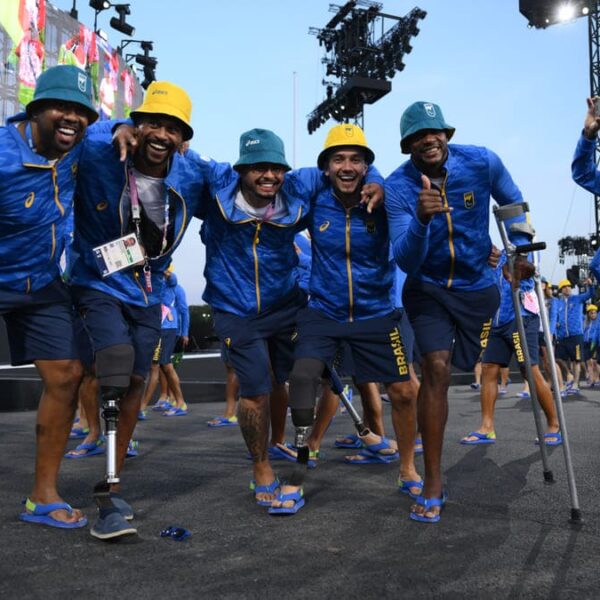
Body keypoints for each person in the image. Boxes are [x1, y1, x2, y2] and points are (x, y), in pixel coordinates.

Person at [200, 128, 382, 508]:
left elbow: (353, 168)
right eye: (258, 169)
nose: (269, 176)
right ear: (241, 169)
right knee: (254, 392)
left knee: (299, 378)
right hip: (235, 309)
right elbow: (170, 157)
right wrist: (118, 128)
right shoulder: (214, 182)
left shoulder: (298, 186)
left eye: (276, 168)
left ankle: (292, 443)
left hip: (286, 304)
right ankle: (261, 465)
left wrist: (376, 181)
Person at [69, 80, 210, 539]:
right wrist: (117, 125)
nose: (161, 134)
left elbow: (241, 179)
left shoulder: (190, 173)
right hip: (97, 279)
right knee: (113, 365)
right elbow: (74, 130)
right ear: (138, 122)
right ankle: (101, 495)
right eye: (152, 122)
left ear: (183, 138)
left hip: (148, 292)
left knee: (134, 381)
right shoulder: (104, 150)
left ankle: (111, 481)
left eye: (172, 128)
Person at [386, 101, 532, 523]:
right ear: (407, 145)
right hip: (428, 288)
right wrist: (421, 220)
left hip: (478, 290)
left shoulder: (482, 161)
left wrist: (518, 250)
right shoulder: (399, 187)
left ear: (446, 134)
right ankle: (432, 481)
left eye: (435, 132)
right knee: (436, 369)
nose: (428, 140)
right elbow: (405, 260)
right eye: (418, 136)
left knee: (468, 366)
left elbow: (513, 203)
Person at [271, 124, 420, 514]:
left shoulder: (387, 198)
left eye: (356, 159)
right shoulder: (316, 199)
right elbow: (280, 186)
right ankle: (301, 468)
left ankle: (407, 468)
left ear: (367, 165)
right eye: (339, 159)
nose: (347, 166)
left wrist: (381, 182)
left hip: (376, 311)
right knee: (303, 378)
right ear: (326, 167)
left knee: (403, 392)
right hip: (325, 310)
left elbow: (412, 234)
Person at [0, 65, 98, 529]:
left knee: (68, 374)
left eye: (81, 112)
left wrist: (121, 129)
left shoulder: (78, 150)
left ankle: (43, 495)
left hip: (41, 283)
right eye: (62, 107)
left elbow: (126, 137)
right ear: (35, 109)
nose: (72, 119)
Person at [460, 253, 561, 446]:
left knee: (528, 370)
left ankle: (554, 424)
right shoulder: (491, 254)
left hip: (520, 318)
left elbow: (529, 267)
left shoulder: (518, 245)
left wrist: (513, 266)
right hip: (496, 322)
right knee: (489, 367)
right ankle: (487, 427)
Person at [140, 266, 190, 417]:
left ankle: (143, 407)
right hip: (157, 327)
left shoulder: (172, 284)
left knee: (162, 365)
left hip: (167, 328)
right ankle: (173, 400)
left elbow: (183, 310)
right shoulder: (152, 282)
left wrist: (184, 333)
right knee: (161, 366)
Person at [554, 278, 594, 393]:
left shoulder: (577, 298)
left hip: (576, 335)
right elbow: (556, 315)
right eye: (565, 287)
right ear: (561, 290)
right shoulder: (559, 302)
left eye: (569, 286)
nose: (568, 288)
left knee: (576, 360)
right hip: (562, 336)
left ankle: (576, 385)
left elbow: (590, 294)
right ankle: (569, 374)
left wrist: (590, 286)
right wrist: (557, 323)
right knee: (558, 358)